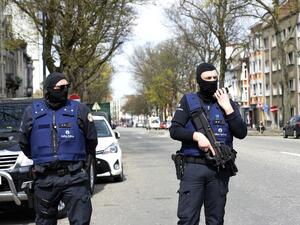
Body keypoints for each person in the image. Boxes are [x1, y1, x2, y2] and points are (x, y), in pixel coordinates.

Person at [169, 62, 247, 225]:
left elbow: (241, 133)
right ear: (199, 80)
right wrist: (196, 136)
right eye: (207, 78)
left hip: (219, 170)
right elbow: (174, 130)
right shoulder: (188, 101)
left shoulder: (227, 103)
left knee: (215, 220)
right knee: (187, 220)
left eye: (215, 78)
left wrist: (228, 108)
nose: (212, 81)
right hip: (193, 167)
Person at [19, 72, 98, 225]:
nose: (64, 90)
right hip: (45, 179)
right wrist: (42, 158)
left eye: (66, 87)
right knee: (44, 222)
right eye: (60, 87)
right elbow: (24, 143)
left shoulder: (80, 110)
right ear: (49, 88)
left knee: (81, 221)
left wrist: (82, 165)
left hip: (74, 177)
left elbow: (91, 141)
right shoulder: (32, 112)